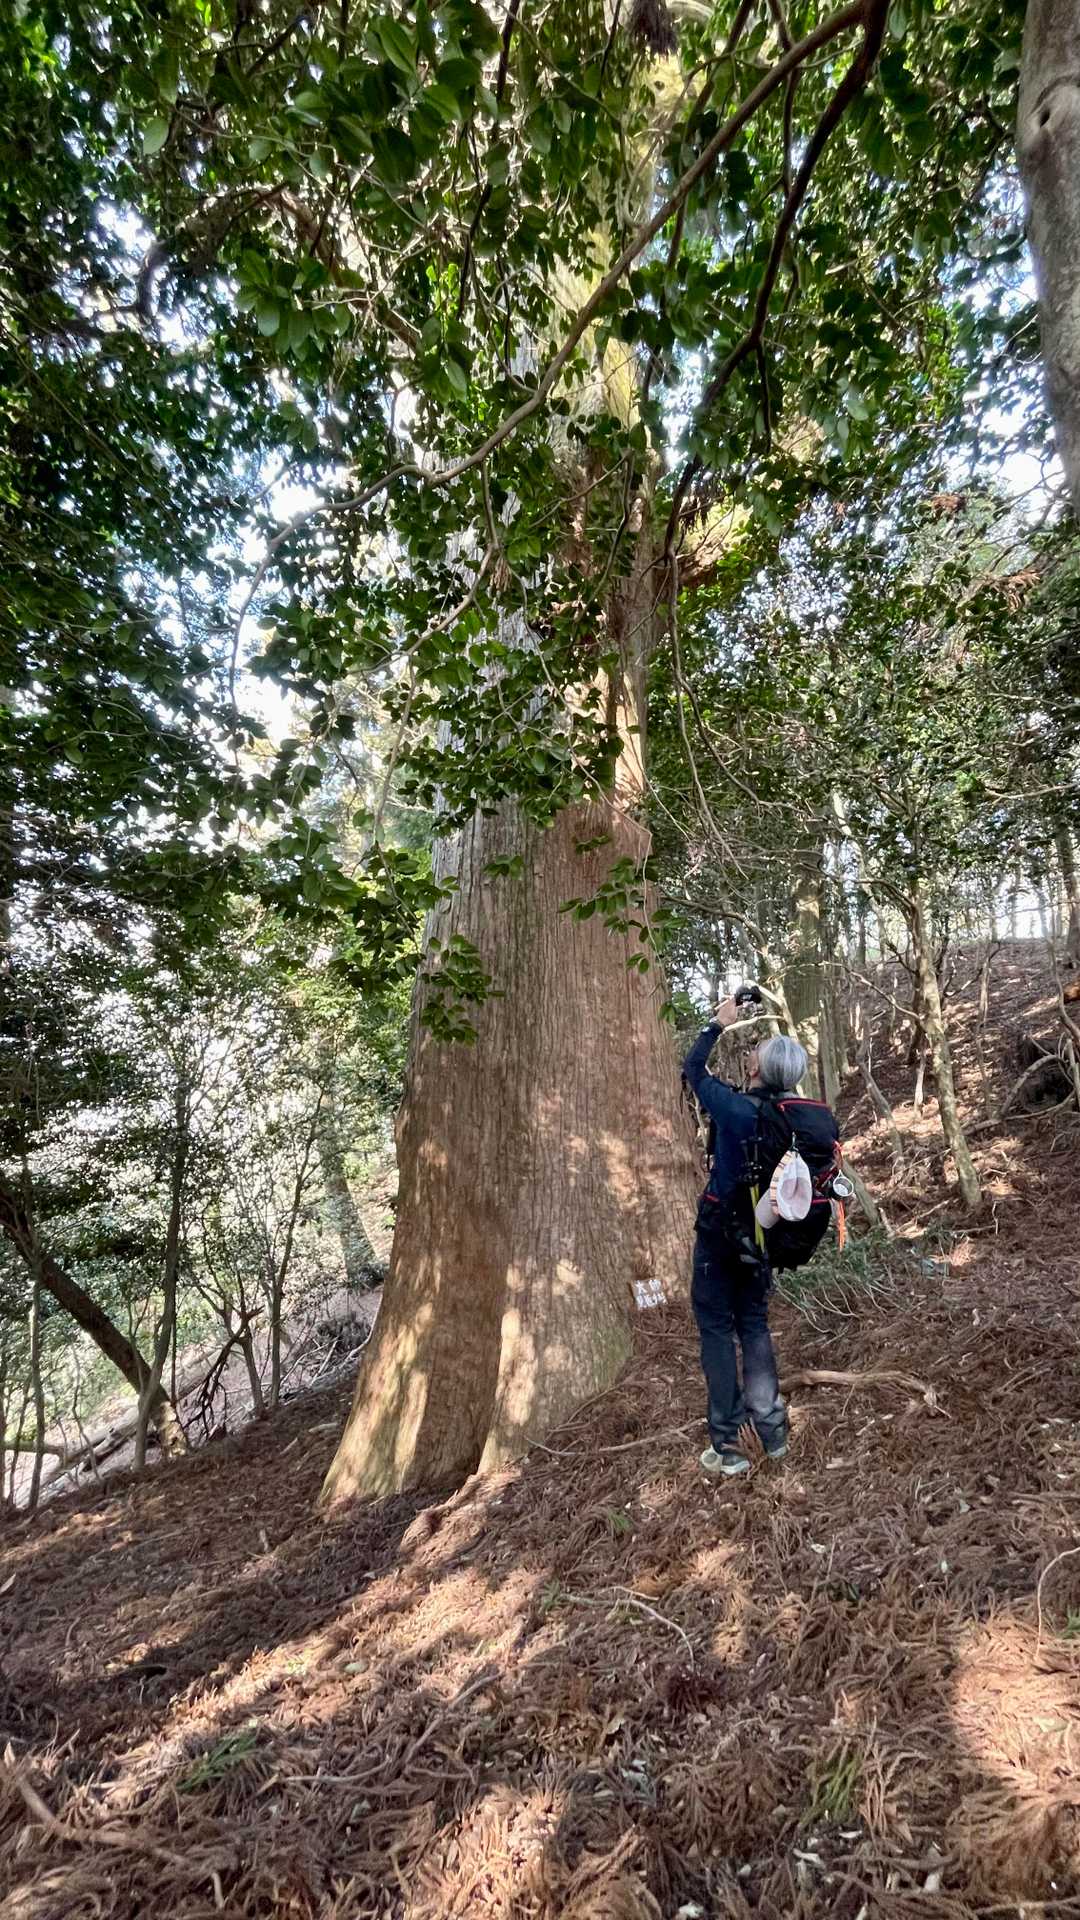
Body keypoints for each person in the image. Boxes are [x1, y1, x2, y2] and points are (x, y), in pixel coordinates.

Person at [682, 998, 809, 1479]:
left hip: (719, 1236)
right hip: (762, 1238)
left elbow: (693, 1068)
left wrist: (717, 1024)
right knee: (753, 1325)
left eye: (758, 1050)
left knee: (717, 1330)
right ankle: (773, 1435)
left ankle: (730, 1446)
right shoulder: (791, 1118)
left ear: (758, 1069)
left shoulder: (734, 1109)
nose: (751, 1052)